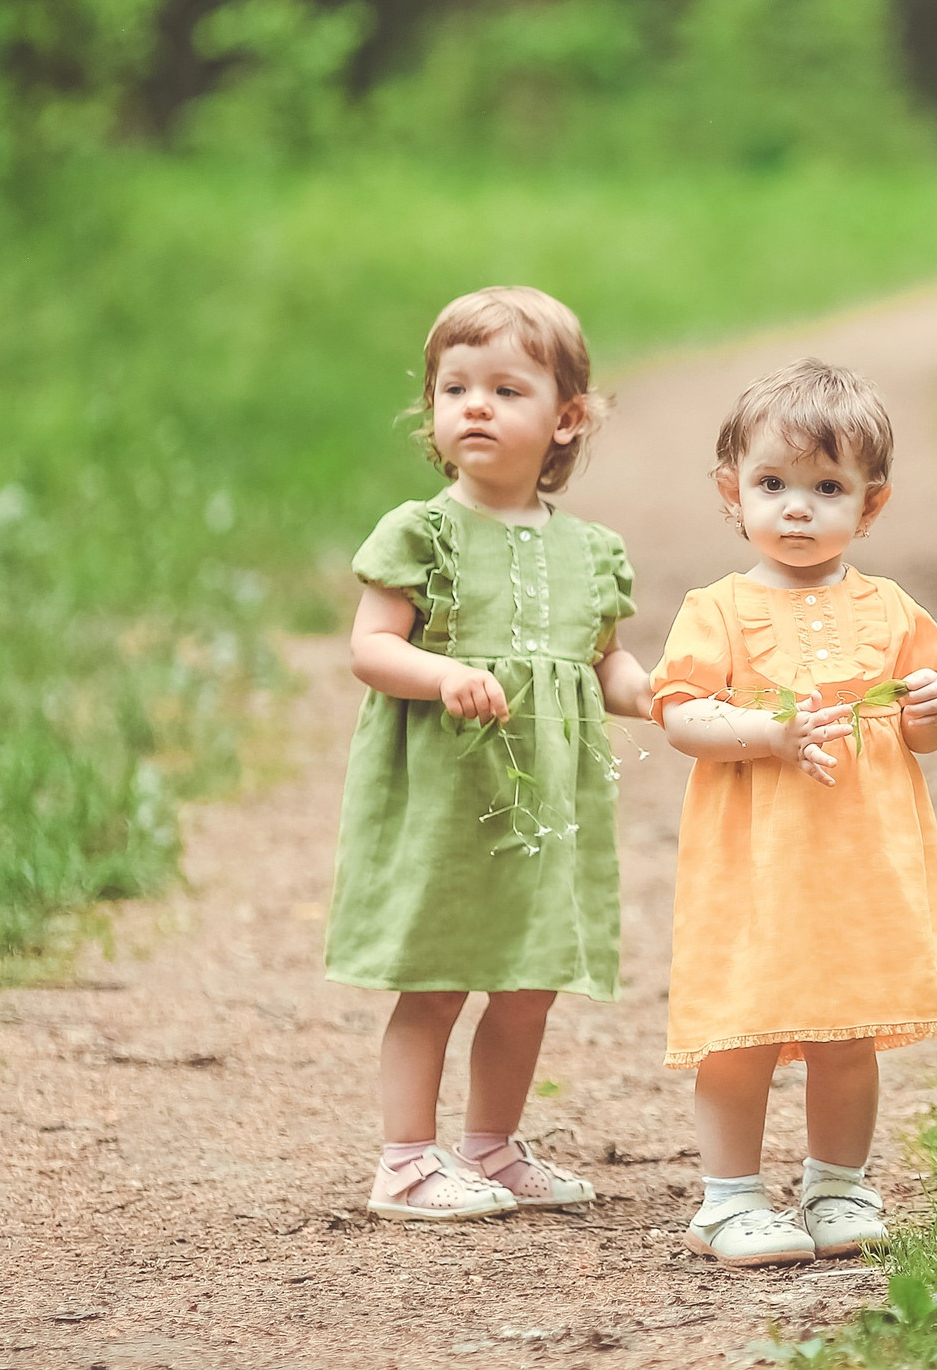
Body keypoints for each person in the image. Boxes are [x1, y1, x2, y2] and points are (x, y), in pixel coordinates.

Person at [326, 286, 652, 1221]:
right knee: (437, 976)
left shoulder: (592, 550)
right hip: (443, 791)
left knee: (528, 980)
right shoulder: (420, 531)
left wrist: (661, 695)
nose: (475, 405)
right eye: (454, 387)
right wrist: (438, 675)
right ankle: (404, 1160)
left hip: (543, 801)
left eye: (507, 389)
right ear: (430, 409)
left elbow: (607, 663)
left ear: (568, 418)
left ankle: (493, 1147)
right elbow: (370, 647)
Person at [649, 358, 937, 1266]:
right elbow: (680, 715)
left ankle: (837, 1181)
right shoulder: (717, 609)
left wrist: (933, 713)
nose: (797, 507)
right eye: (773, 484)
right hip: (756, 861)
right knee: (744, 1023)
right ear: (732, 492)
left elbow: (924, 731)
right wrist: (766, 731)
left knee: (848, 1028)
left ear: (870, 506)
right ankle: (729, 1197)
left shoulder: (894, 611)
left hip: (858, 865)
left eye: (827, 487)